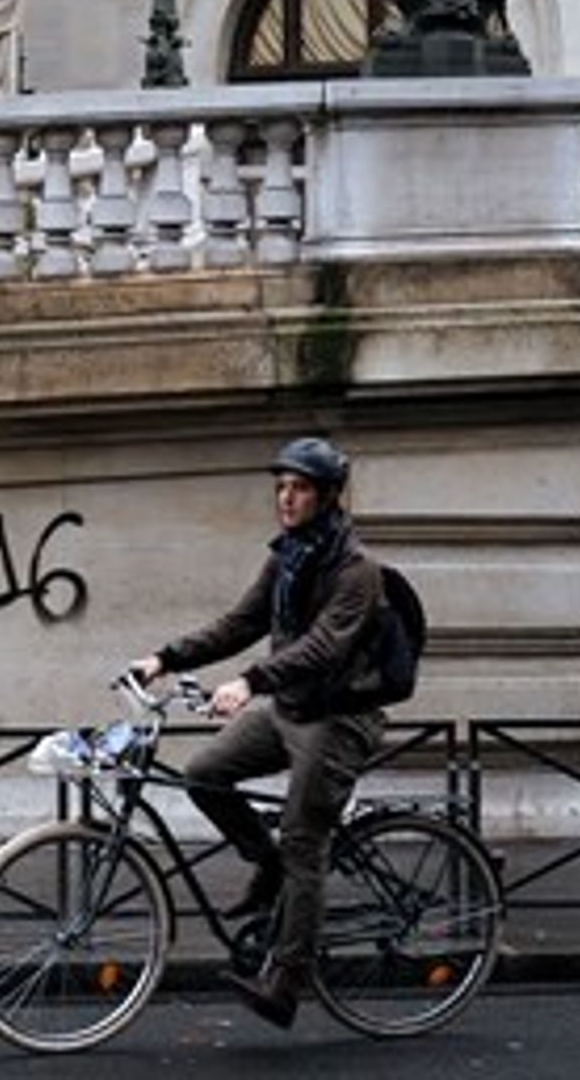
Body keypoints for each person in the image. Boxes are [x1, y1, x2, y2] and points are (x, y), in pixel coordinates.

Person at [130, 436, 388, 1029]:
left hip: (340, 716)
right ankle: (265, 864)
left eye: (298, 488)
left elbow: (323, 648)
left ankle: (287, 981)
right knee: (205, 774)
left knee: (304, 839)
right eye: (281, 486)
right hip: (292, 708)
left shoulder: (357, 570)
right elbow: (242, 621)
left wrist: (250, 681)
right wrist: (165, 657)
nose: (285, 497)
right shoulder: (289, 555)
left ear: (326, 496)